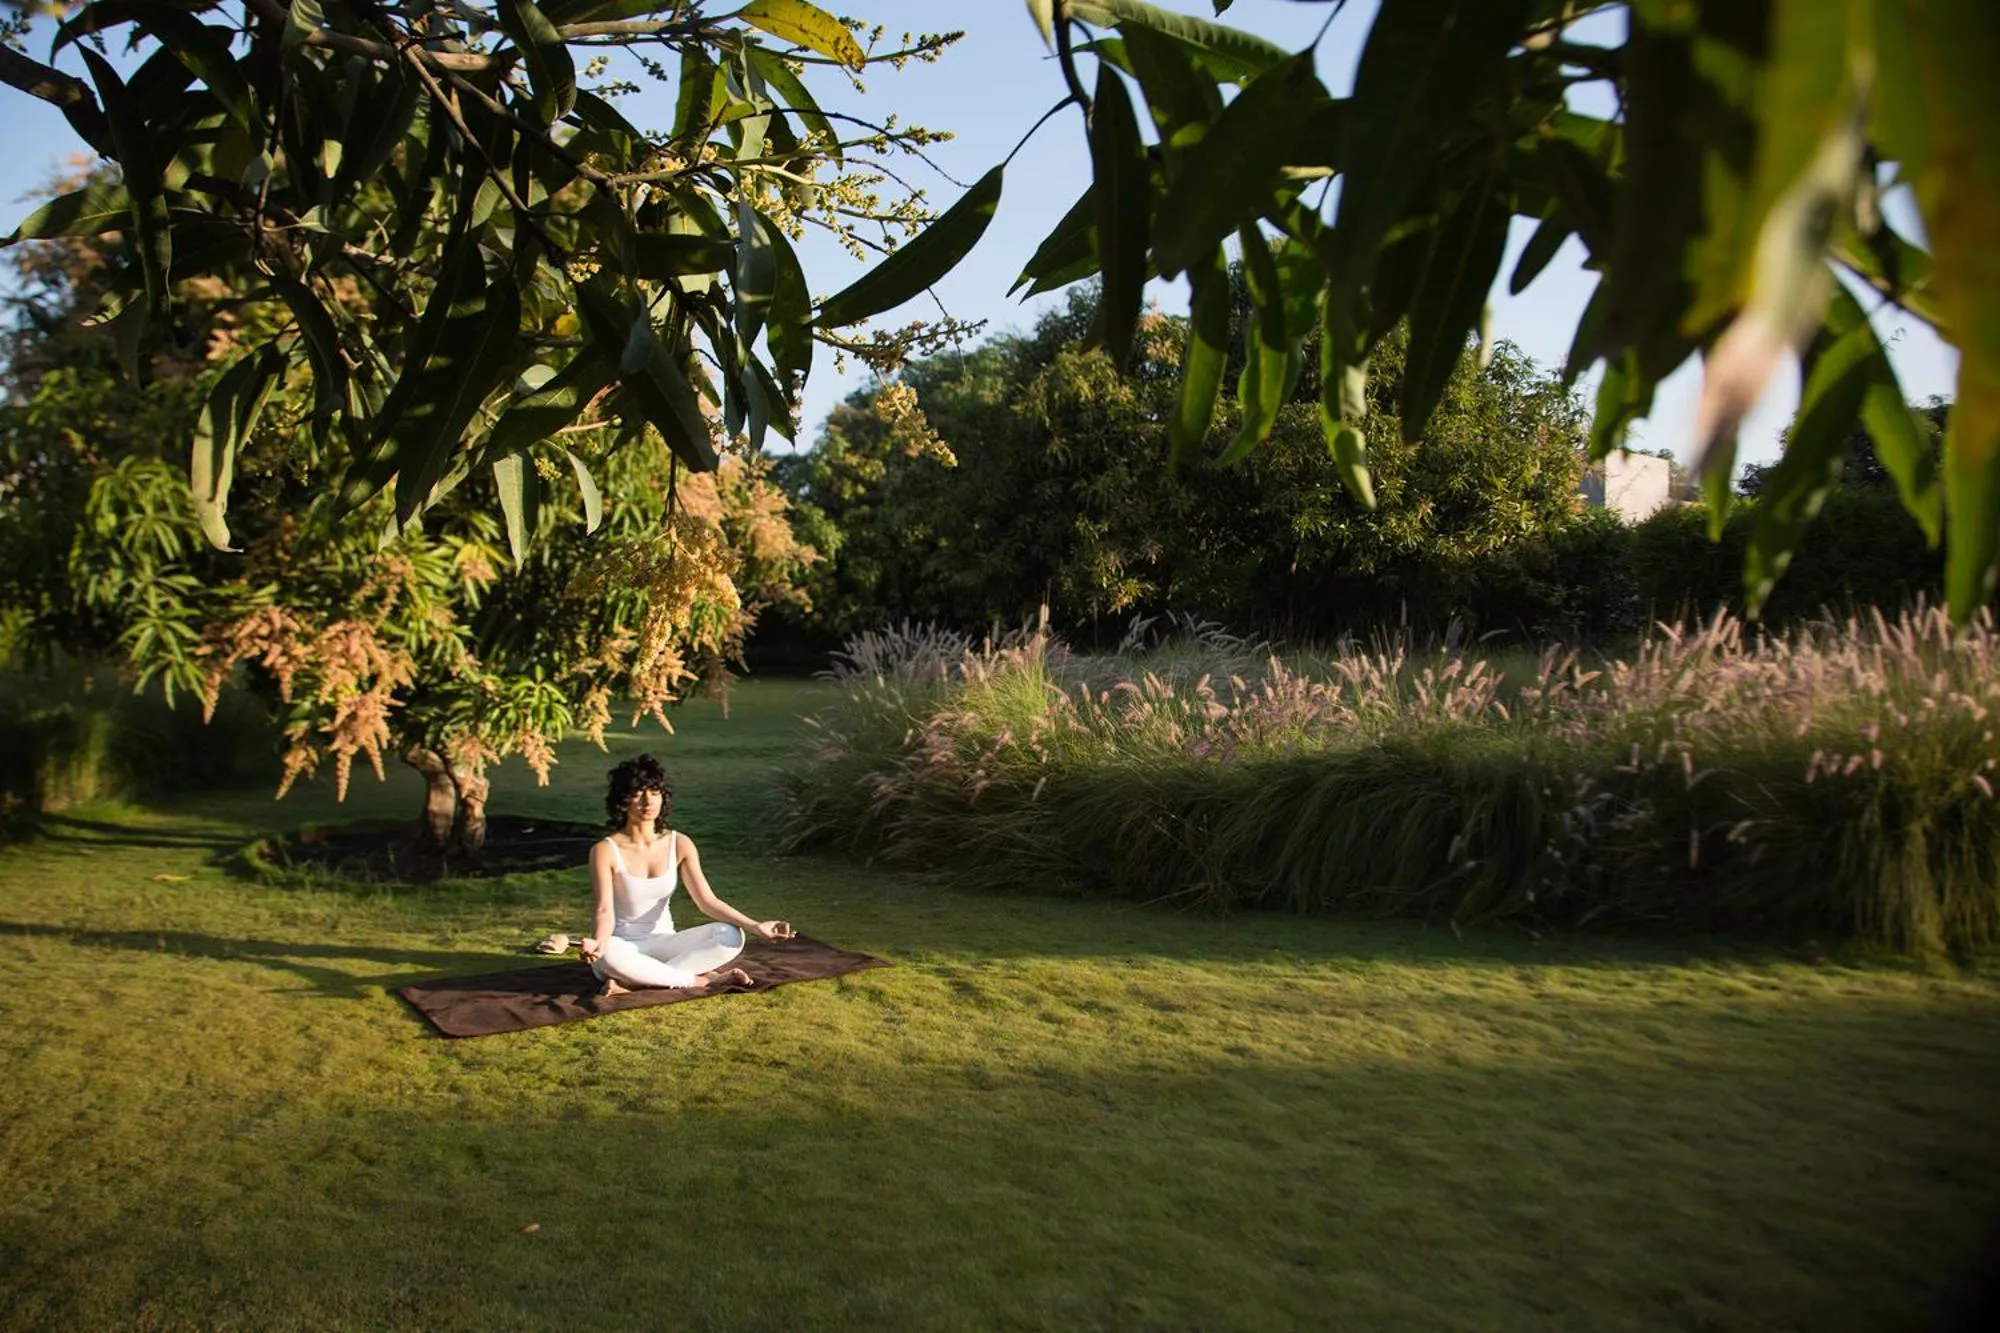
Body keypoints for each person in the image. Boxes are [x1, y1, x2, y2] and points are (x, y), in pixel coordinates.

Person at [580, 754, 794, 997]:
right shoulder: (606, 850)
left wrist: (756, 926)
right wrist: (597, 943)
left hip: (667, 944)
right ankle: (704, 982)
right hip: (623, 947)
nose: (648, 800)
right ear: (623, 799)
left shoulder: (679, 843)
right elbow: (604, 910)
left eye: (654, 791)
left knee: (730, 934)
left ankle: (634, 983)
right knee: (609, 954)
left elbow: (707, 901)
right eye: (638, 793)